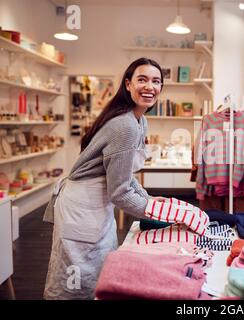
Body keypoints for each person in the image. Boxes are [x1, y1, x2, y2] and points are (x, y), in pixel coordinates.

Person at [43, 58, 165, 300]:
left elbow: (125, 175)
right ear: (128, 85)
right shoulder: (125, 126)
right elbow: (119, 192)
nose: (149, 86)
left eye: (156, 81)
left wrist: (149, 199)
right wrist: (154, 211)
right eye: (142, 79)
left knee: (99, 267)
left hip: (97, 205)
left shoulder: (139, 120)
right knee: (75, 281)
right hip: (82, 208)